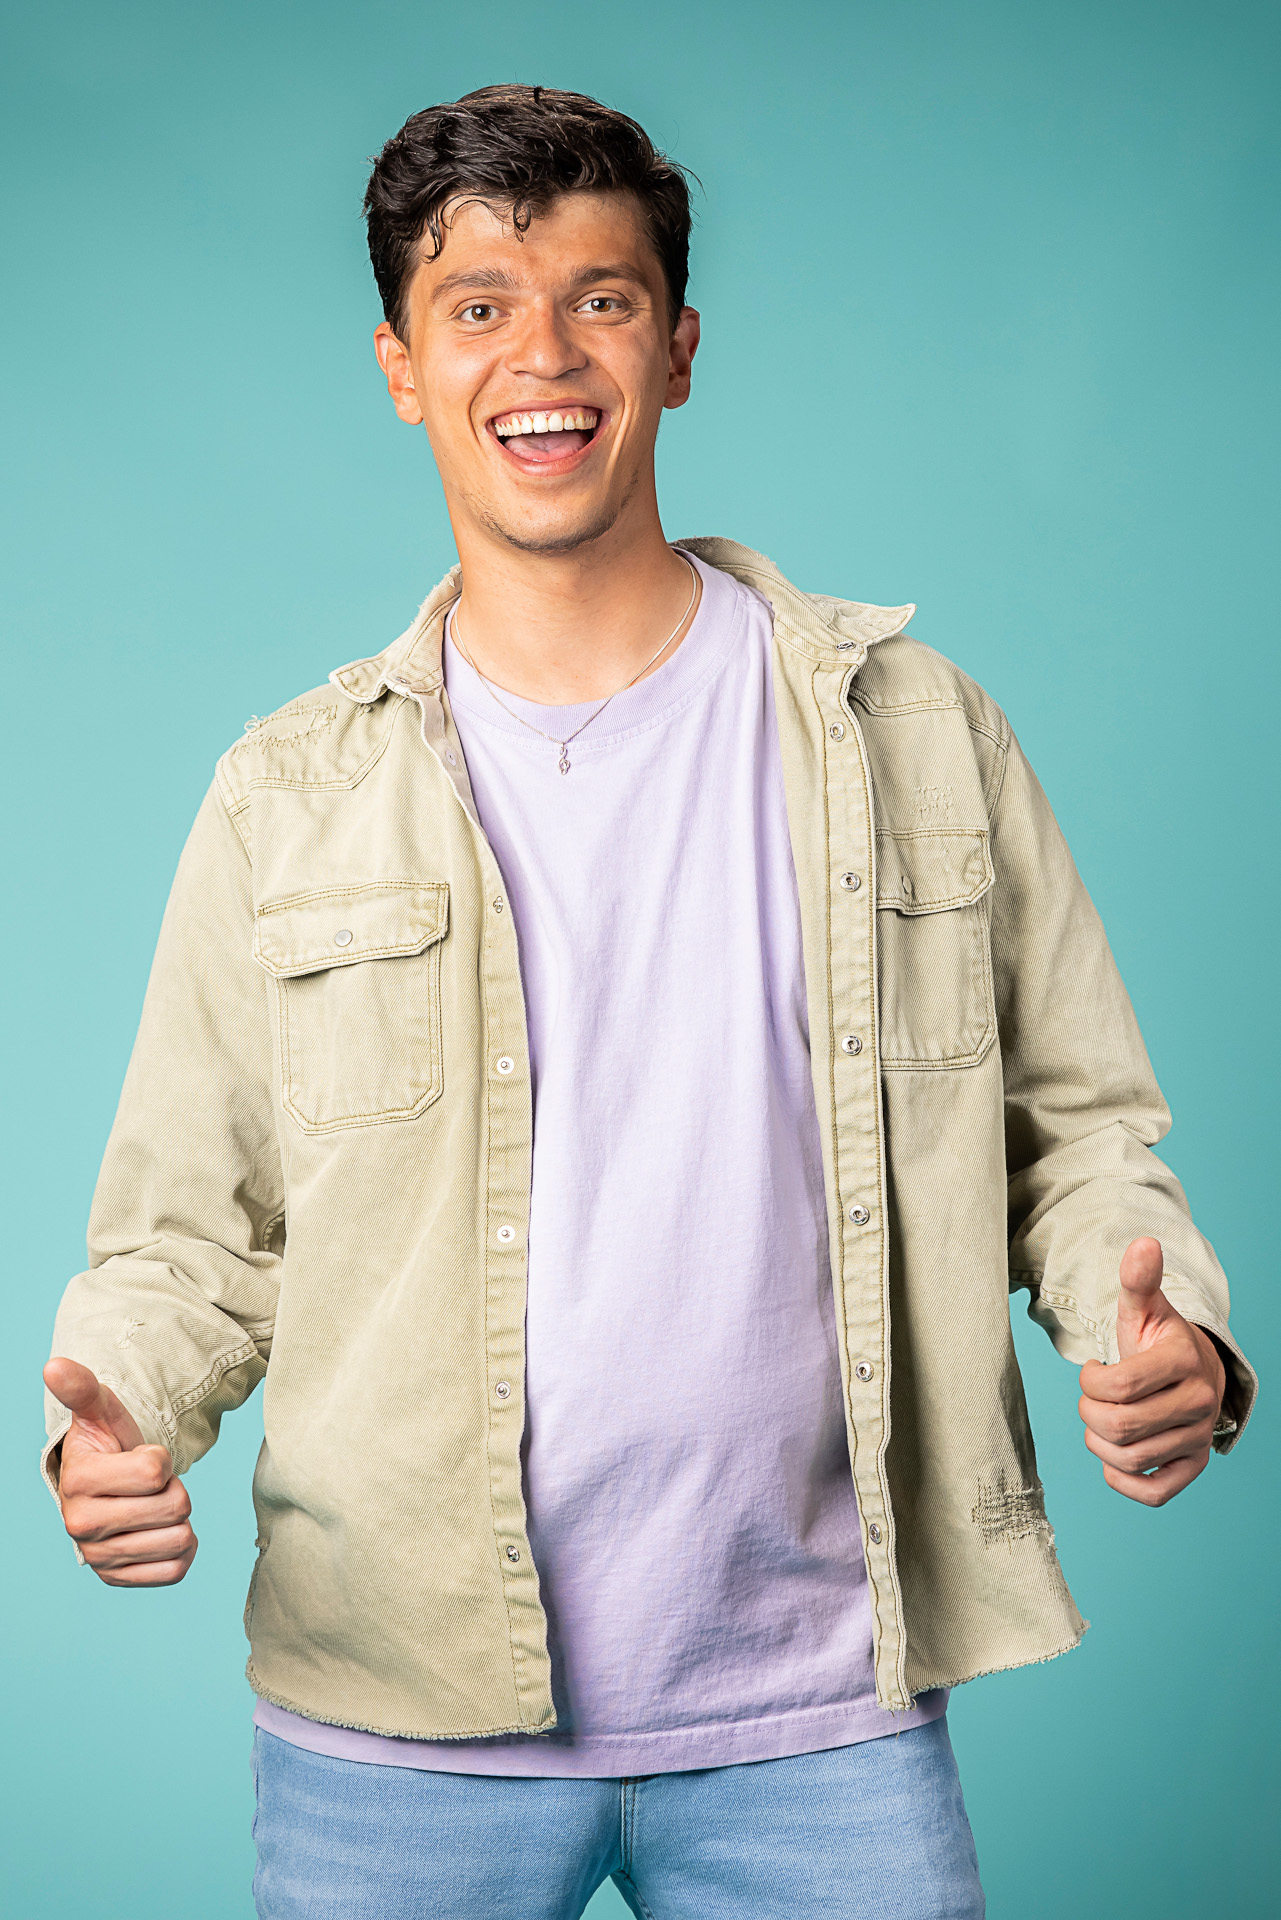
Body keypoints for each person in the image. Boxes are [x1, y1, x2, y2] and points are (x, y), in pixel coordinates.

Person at [42, 84, 1255, 1920]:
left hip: (825, 1720)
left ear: (676, 349)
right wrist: (110, 1419)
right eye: (477, 307)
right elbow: (186, 1239)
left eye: (599, 299)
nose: (542, 355)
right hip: (396, 1734)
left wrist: (1168, 1339)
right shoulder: (283, 797)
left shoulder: (917, 735)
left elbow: (1080, 1137)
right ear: (401, 367)